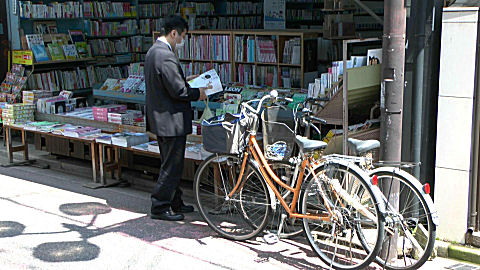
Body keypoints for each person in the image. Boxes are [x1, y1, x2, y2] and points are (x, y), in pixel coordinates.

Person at [145, 15, 209, 221]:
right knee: (172, 165)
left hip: (162, 118)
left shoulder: (154, 52)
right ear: (173, 33)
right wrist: (198, 93)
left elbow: (168, 83)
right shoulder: (165, 55)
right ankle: (160, 205)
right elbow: (178, 91)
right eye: (182, 36)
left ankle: (175, 201)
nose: (182, 40)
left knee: (171, 163)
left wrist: (185, 80)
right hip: (170, 120)